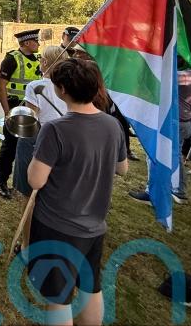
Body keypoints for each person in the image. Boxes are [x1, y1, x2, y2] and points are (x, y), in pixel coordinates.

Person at [26, 58, 128, 326]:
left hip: (58, 227)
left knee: (57, 298)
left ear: (61, 89)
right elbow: (123, 169)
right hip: (94, 225)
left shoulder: (55, 129)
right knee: (90, 287)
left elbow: (36, 181)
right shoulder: (111, 124)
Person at [13, 46, 69, 249]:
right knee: (54, 198)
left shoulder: (36, 85)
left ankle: (27, 244)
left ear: (45, 62)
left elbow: (31, 119)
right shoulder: (70, 86)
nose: (39, 61)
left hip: (37, 139)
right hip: (63, 143)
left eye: (41, 58)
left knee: (29, 198)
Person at [129, 57, 191, 205]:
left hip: (172, 123)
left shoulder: (184, 76)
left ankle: (153, 193)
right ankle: (179, 191)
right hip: (182, 122)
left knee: (155, 155)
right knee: (175, 156)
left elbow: (154, 79)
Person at [0, 29, 42, 199]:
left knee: (28, 148)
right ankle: (2, 182)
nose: (38, 44)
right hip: (15, 107)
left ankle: (23, 183)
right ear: (26, 43)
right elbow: (1, 86)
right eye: (35, 41)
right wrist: (7, 112)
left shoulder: (39, 60)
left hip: (32, 109)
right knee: (9, 147)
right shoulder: (11, 59)